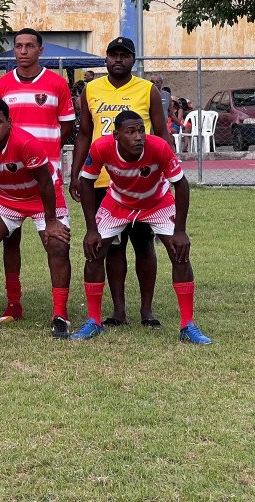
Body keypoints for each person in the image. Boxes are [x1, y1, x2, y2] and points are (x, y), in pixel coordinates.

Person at [72, 111, 211, 344]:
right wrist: (91, 229)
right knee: (94, 252)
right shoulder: (101, 147)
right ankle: (94, 321)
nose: (138, 137)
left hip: (157, 202)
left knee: (180, 254)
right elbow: (86, 182)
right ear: (116, 135)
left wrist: (180, 230)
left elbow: (182, 185)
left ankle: (188, 325)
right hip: (117, 203)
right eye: (131, 131)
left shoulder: (158, 147)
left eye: (141, 130)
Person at [69, 36, 171, 328]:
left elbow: (162, 132)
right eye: (113, 54)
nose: (118, 59)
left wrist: (164, 167)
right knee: (112, 246)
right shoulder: (92, 89)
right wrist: (75, 173)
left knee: (143, 244)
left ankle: (147, 311)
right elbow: (85, 134)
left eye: (124, 55)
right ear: (105, 59)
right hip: (102, 178)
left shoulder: (147, 89)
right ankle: (118, 311)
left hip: (141, 179)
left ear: (133, 60)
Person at [0, 99, 73, 338]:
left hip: (42, 197)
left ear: (9, 122)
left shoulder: (26, 142)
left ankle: (60, 315)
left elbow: (45, 182)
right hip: (7, 197)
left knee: (57, 245)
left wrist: (52, 221)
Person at [0, 28, 75, 324]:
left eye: (29, 46)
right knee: (9, 241)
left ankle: (59, 312)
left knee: (56, 243)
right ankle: (14, 304)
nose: (23, 50)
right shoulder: (1, 85)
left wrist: (45, 148)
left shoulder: (56, 84)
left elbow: (66, 125)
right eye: (18, 46)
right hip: (10, 181)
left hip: (45, 181)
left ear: (41, 50)